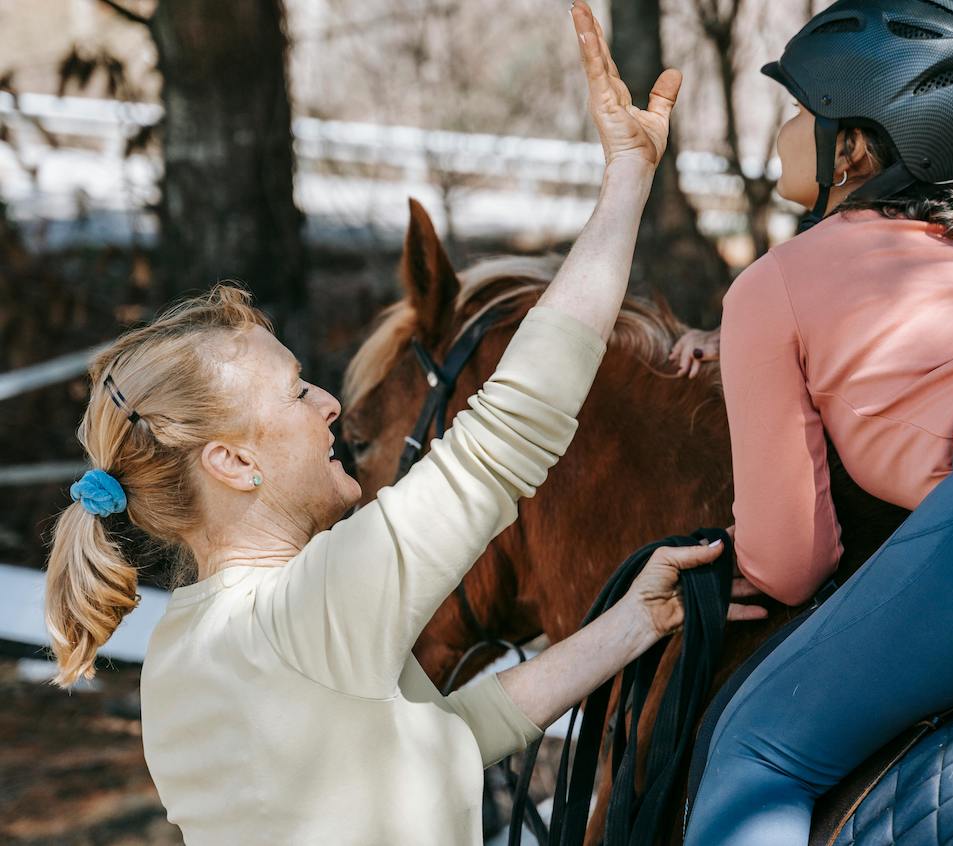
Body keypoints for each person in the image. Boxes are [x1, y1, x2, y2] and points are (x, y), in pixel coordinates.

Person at [43, 4, 764, 844]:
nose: (329, 405)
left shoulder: (183, 656)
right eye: (296, 392)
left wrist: (636, 622)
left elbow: (440, 743)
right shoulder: (312, 604)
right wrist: (627, 182)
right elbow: (511, 431)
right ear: (234, 461)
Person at [680, 0, 953, 843]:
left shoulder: (772, 283)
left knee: (758, 751)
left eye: (798, 110)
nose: (784, 129)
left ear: (850, 148)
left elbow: (789, 564)